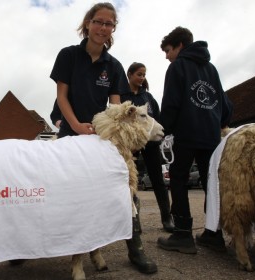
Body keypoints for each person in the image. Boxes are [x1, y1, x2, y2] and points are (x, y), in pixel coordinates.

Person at [50, 2, 157, 274]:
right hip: (71, 134)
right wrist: (75, 125)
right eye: (98, 21)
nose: (103, 28)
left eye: (109, 24)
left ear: (113, 29)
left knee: (124, 187)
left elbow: (117, 109)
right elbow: (61, 97)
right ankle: (33, 245)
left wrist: (108, 130)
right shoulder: (68, 55)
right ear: (88, 23)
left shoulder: (115, 66)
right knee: (64, 193)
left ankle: (136, 248)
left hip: (100, 137)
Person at [156, 26, 233, 254]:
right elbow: (224, 103)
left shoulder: (177, 67)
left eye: (168, 50)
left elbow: (171, 103)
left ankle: (182, 234)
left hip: (186, 134)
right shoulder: (211, 68)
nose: (167, 56)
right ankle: (214, 234)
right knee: (212, 184)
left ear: (180, 46)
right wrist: (220, 121)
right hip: (210, 137)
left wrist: (163, 129)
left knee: (178, 179)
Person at [121, 62, 174, 233]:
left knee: (158, 180)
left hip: (150, 145)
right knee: (131, 181)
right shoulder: (122, 96)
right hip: (132, 147)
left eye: (144, 74)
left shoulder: (148, 98)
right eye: (139, 74)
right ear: (129, 74)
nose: (142, 78)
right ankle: (134, 221)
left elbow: (156, 119)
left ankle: (167, 218)